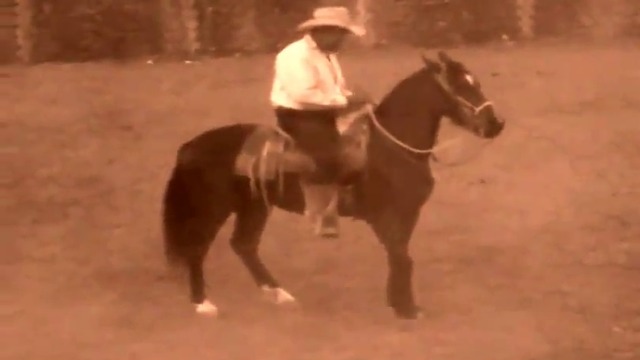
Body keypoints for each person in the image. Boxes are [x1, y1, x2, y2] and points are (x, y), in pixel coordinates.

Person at [269, 6, 368, 237]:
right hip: (298, 115)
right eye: (342, 35)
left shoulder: (328, 55)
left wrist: (356, 100)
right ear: (326, 31)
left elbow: (335, 89)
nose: (344, 41)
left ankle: (351, 198)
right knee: (326, 154)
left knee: (366, 137)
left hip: (325, 110)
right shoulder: (294, 55)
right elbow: (303, 95)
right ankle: (321, 215)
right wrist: (345, 101)